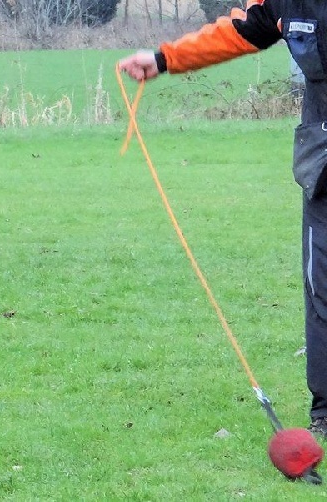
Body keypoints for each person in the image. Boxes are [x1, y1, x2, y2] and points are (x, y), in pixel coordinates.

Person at [118, 5, 327, 437]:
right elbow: (237, 32)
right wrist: (162, 59)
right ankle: (325, 413)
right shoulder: (284, 3)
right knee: (321, 287)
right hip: (323, 165)